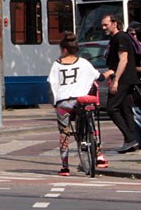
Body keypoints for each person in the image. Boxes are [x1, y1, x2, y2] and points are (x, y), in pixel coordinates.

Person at [47, 33, 108, 176]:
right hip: (81, 100)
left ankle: (65, 167)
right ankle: (99, 154)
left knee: (64, 133)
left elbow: (52, 82)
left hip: (63, 103)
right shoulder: (84, 63)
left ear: (64, 49)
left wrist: (56, 101)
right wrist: (110, 72)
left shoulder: (57, 64)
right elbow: (99, 77)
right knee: (91, 121)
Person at [101, 15, 141, 153]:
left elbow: (123, 60)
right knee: (125, 109)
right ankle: (130, 142)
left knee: (111, 108)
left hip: (124, 79)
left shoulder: (121, 37)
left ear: (115, 24)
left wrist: (116, 80)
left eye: (106, 24)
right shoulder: (116, 38)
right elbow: (115, 62)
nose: (103, 28)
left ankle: (130, 138)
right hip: (127, 78)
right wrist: (108, 74)